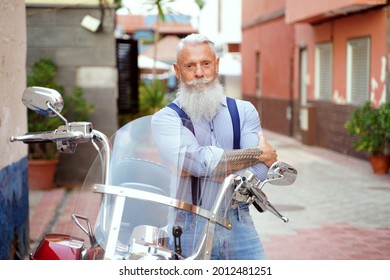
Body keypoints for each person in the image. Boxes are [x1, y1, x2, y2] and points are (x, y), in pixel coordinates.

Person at [151, 33, 277, 260]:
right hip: (189, 223)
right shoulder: (165, 119)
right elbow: (200, 163)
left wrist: (201, 168)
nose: (199, 73)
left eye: (205, 63)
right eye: (190, 65)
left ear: (216, 65)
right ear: (177, 71)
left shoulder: (244, 110)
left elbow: (258, 173)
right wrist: (259, 153)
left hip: (238, 220)